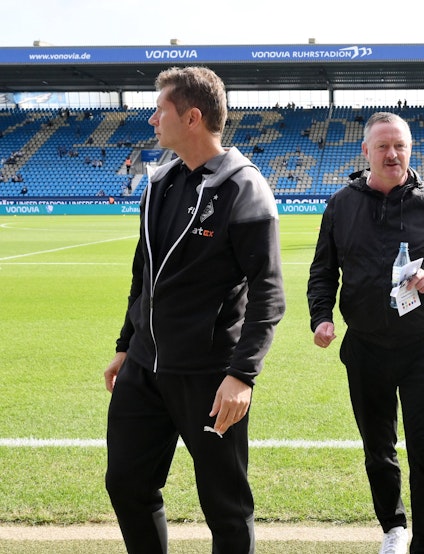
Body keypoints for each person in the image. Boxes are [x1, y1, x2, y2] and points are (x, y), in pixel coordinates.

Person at [102, 66, 286, 554]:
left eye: (159, 110)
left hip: (209, 375)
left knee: (225, 508)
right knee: (126, 484)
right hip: (144, 369)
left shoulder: (244, 188)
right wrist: (126, 345)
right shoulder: (159, 181)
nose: (151, 120)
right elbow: (145, 277)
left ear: (192, 117)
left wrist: (242, 375)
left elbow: (269, 293)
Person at [307, 111, 424, 554]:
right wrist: (321, 316)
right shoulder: (341, 204)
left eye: (400, 146)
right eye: (383, 146)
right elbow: (323, 271)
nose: (392, 154)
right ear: (367, 151)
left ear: (410, 149)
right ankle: (393, 528)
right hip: (366, 349)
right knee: (378, 449)